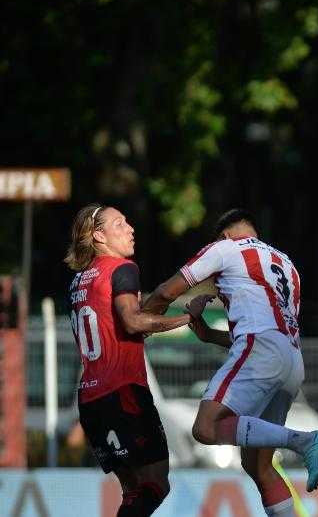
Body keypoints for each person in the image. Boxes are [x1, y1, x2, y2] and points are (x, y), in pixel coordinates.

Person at [141, 208, 318, 516]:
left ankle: (305, 440)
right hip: (292, 361)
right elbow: (268, 328)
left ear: (226, 235)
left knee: (205, 428)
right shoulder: (287, 264)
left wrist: (139, 321)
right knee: (258, 466)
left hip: (261, 351)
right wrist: (206, 334)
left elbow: (166, 291)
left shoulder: (226, 247)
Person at [65, 203, 204, 516]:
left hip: (90, 400)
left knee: (133, 491)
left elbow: (115, 329)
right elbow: (133, 322)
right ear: (98, 236)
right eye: (119, 224)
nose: (130, 229)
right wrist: (186, 317)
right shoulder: (122, 269)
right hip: (123, 391)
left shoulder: (77, 282)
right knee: (156, 484)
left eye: (127, 221)